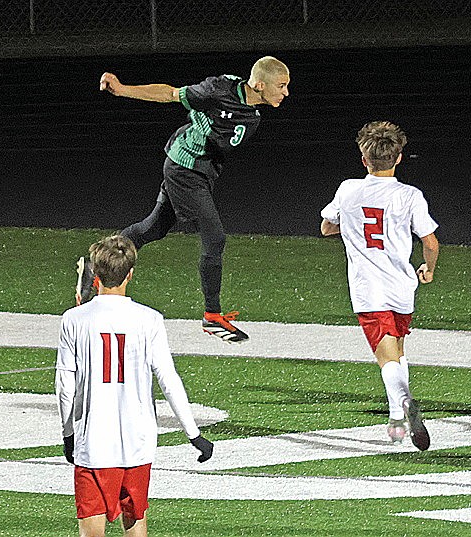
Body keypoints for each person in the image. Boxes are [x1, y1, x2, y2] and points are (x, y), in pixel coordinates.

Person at [77, 56, 292, 343]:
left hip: (198, 171)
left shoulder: (252, 116)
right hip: (184, 168)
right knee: (214, 237)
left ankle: (95, 264)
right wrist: (123, 88)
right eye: (282, 85)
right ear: (260, 84)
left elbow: (217, 141)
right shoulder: (219, 89)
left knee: (153, 228)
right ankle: (212, 316)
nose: (286, 93)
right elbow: (170, 93)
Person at [57, 236, 214, 537]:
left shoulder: (74, 320)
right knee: (136, 525)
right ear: (130, 274)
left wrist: (68, 435)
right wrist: (193, 434)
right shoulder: (149, 319)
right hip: (138, 443)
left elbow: (65, 386)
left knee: (92, 529)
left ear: (95, 273)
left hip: (95, 444)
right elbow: (169, 379)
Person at [320, 121, 438, 451]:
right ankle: (396, 419)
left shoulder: (348, 189)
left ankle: (405, 404)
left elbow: (327, 226)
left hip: (368, 288)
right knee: (397, 352)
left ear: (363, 159)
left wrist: (349, 224)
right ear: (399, 158)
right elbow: (430, 241)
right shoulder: (410, 195)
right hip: (402, 287)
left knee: (386, 357)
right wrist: (428, 268)